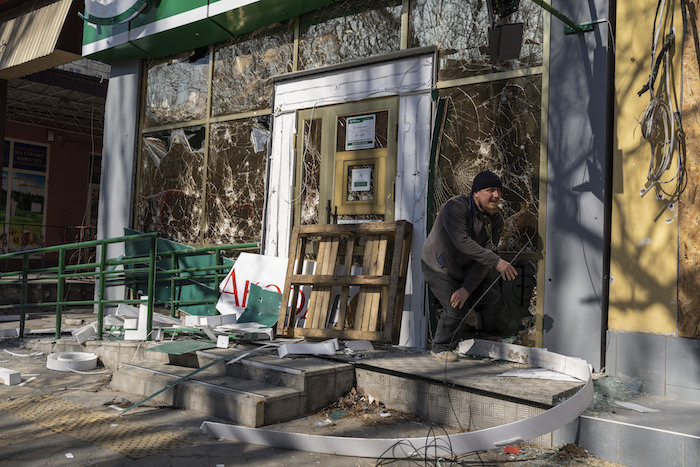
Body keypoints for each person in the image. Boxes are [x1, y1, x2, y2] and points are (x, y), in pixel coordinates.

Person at [422, 170, 518, 362]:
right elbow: (462, 242)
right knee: (455, 307)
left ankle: (467, 312)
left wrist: (467, 288)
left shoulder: (495, 220)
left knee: (490, 295)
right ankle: (441, 347)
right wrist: (496, 262)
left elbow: (484, 257)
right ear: (476, 193)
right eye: (490, 190)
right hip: (439, 265)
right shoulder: (454, 208)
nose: (496, 196)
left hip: (464, 267)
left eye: (498, 191)